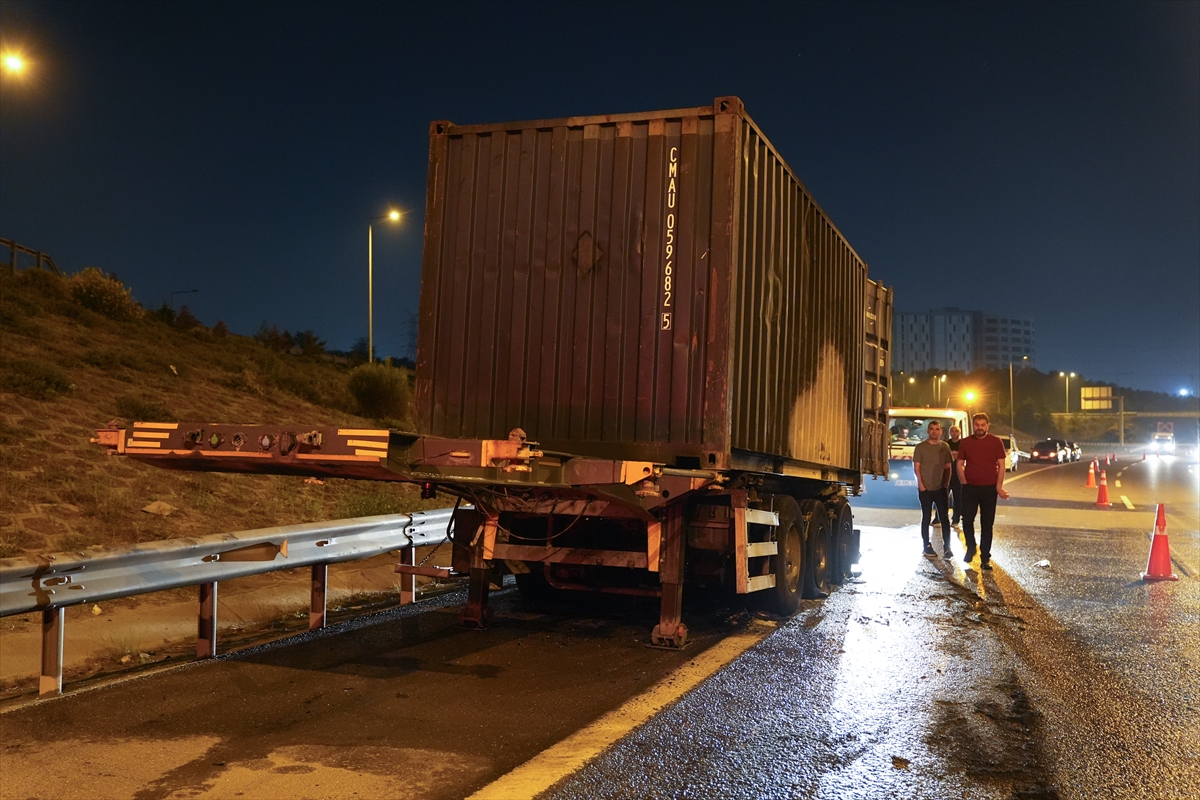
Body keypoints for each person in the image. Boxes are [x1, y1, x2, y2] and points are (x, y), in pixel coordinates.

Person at [955, 413, 1009, 570]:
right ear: (973, 426)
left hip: (989, 488)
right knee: (967, 520)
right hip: (970, 488)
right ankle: (971, 546)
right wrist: (964, 483)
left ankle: (985, 557)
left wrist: (999, 487)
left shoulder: (996, 442)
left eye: (982, 425)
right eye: (977, 425)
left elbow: (1001, 466)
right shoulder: (966, 442)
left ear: (987, 426)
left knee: (987, 524)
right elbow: (959, 464)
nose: (979, 427)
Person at [912, 420, 954, 558]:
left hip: (940, 488)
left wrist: (946, 484)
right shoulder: (921, 447)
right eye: (932, 429)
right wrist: (921, 485)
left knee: (944, 518)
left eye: (937, 429)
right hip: (926, 488)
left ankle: (947, 547)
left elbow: (948, 467)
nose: (934, 431)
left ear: (941, 431)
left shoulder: (945, 447)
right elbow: (917, 467)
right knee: (926, 517)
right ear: (928, 431)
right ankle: (926, 546)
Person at [947, 424, 964, 527]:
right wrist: (954, 454)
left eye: (956, 431)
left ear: (960, 433)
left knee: (958, 498)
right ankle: (938, 518)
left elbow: (962, 456)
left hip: (958, 474)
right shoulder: (946, 444)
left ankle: (955, 520)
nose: (954, 433)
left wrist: (954, 455)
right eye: (952, 431)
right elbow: (945, 456)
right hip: (947, 473)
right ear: (950, 432)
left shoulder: (963, 444)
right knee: (943, 497)